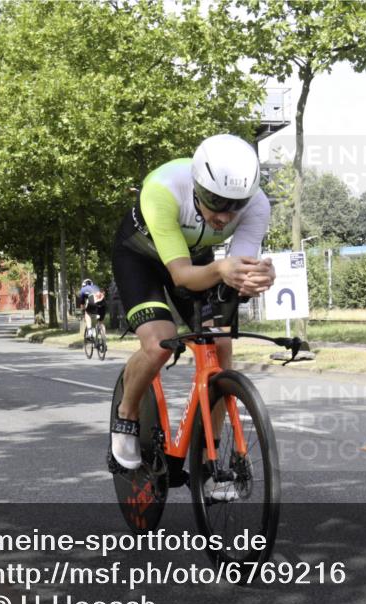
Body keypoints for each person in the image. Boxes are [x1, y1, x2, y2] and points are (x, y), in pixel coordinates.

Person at [110, 134, 275, 498]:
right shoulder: (163, 189)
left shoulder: (258, 205)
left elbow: (238, 269)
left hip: (198, 260)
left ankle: (210, 460)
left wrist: (257, 277)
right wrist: (224, 270)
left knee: (220, 346)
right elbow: (182, 276)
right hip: (140, 258)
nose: (223, 217)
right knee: (159, 344)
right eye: (215, 203)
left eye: (236, 207)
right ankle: (126, 414)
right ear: (197, 186)